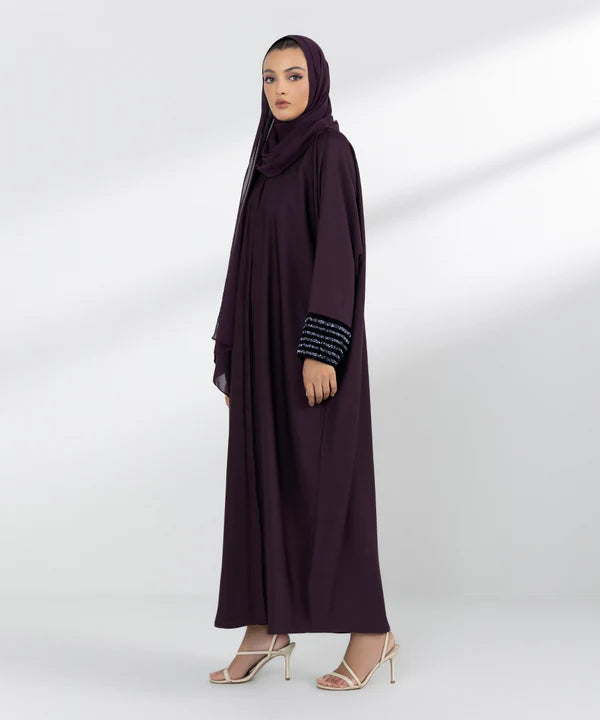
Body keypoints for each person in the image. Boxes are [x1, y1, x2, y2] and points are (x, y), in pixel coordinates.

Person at [208, 34, 399, 690]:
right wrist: (233, 351)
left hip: (313, 352)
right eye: (269, 78)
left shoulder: (329, 152)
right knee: (261, 481)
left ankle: (371, 633)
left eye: (293, 76)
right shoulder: (266, 158)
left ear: (316, 80)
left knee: (329, 485)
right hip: (263, 349)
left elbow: (339, 253)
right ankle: (265, 626)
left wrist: (322, 349)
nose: (280, 89)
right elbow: (245, 258)